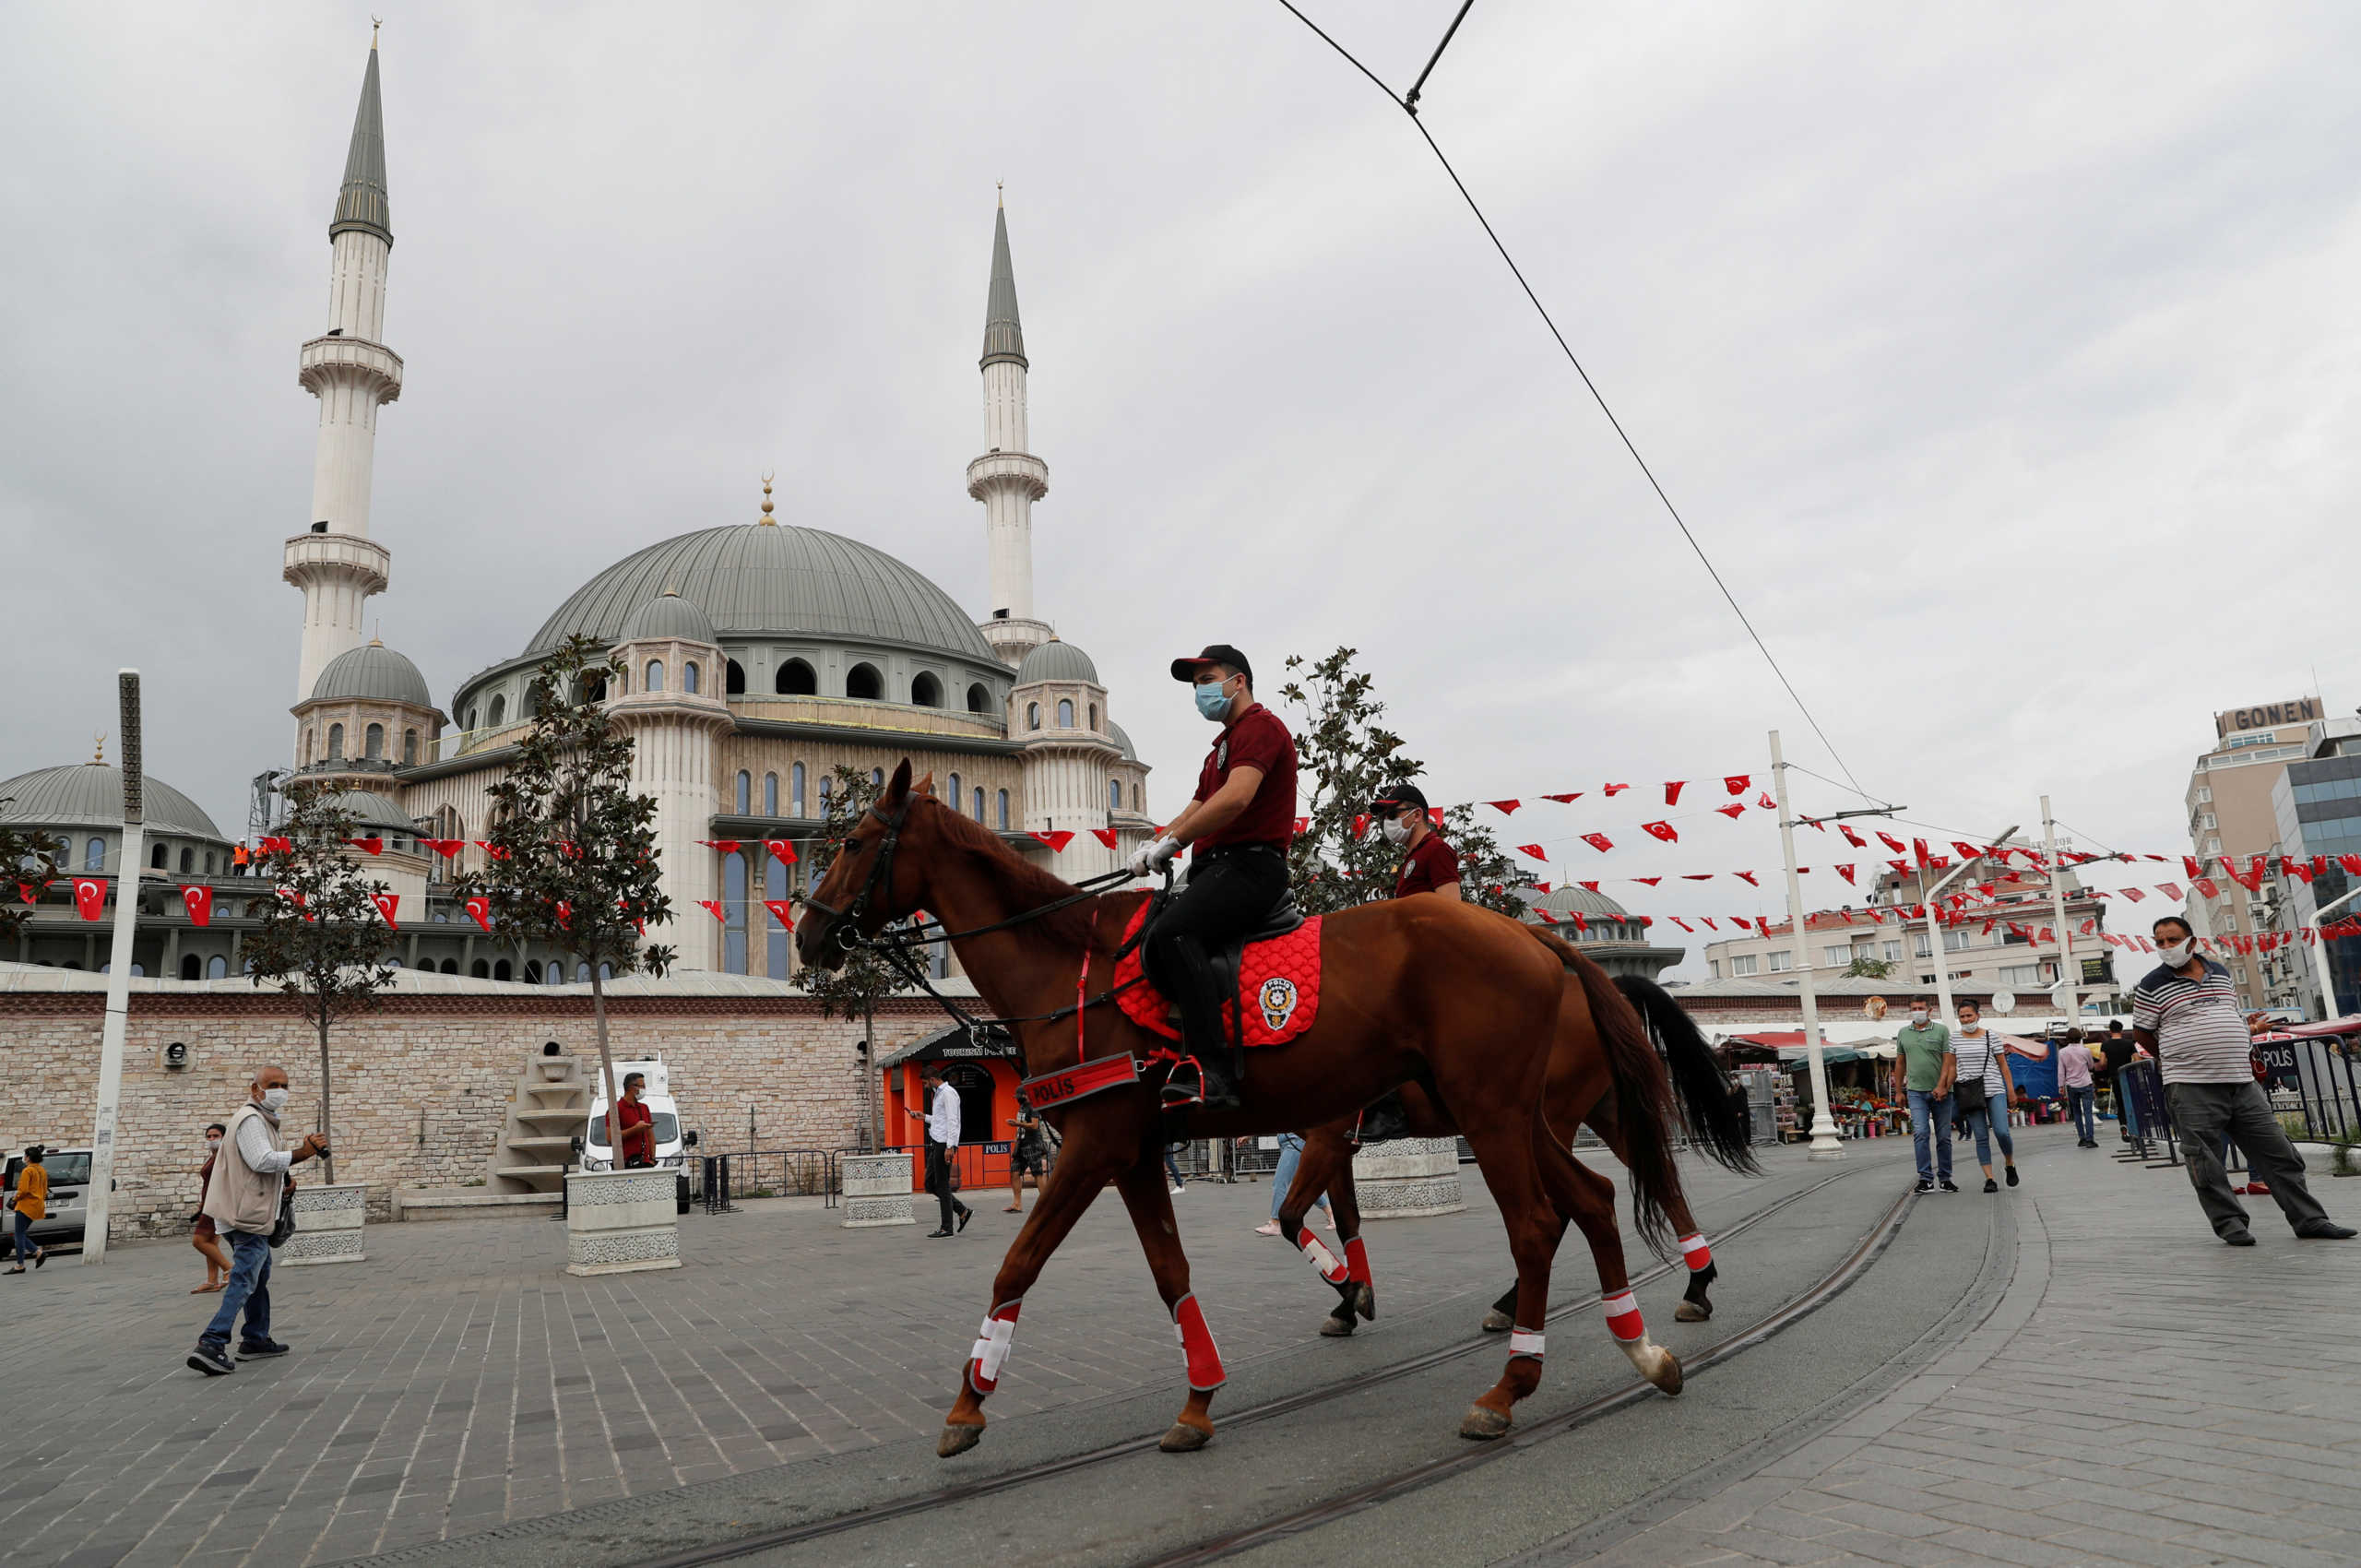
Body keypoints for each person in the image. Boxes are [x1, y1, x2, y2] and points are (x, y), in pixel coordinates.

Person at [1130, 645, 1299, 1111]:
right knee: (1149, 932)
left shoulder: (1261, 728)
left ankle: (1212, 1069)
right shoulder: (1222, 746)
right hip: (1215, 866)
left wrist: (1175, 841)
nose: (1200, 692)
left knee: (1175, 930)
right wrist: (1156, 841)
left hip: (1251, 866)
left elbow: (1237, 798)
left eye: (1207, 680)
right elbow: (1200, 805)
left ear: (1238, 681)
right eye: (1196, 685)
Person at [2132, 914, 2354, 1246]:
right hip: (2190, 1083)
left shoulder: (2220, 973)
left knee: (2279, 1153)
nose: (2166, 947)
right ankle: (2231, 1225)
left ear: (2191, 941)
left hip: (2241, 1079)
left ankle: (2311, 1220)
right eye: (2160, 941)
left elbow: (2229, 1014)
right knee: (2204, 1161)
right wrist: (2181, 1055)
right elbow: (2144, 1034)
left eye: (2172, 939)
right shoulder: (2151, 985)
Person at [188, 1064, 329, 1374]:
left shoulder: (262, 1120)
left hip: (245, 1211)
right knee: (245, 1277)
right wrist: (302, 1153)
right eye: (273, 1084)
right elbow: (261, 1160)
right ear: (255, 1089)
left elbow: (259, 1163)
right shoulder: (252, 1119)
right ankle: (211, 1343)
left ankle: (255, 1338)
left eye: (285, 1085)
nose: (280, 1090)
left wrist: (287, 1177)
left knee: (259, 1274)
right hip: (246, 1216)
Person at [1949, 1002, 2021, 1193]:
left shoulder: (1991, 1037)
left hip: (1994, 1088)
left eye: (1969, 1016)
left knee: (2002, 1132)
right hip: (1969, 1092)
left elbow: (2004, 1066)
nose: (1966, 1020)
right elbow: (1951, 1067)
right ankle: (1989, 1178)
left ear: (1978, 1016)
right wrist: (1944, 1087)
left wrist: (2011, 1090)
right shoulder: (1954, 1038)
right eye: (1962, 1017)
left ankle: (2009, 1163)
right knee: (1981, 1136)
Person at [1894, 997, 1957, 1194]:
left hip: (1942, 1092)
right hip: (1916, 1092)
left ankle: (1945, 1178)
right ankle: (1925, 1178)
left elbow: (1948, 1061)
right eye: (1914, 1008)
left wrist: (1942, 1086)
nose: (1918, 1011)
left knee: (1944, 1137)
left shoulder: (1941, 1031)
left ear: (1930, 1010)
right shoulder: (1904, 1033)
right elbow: (1900, 1063)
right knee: (1920, 1133)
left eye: (1921, 1008)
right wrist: (1898, 1091)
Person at [904, 1065, 972, 1238]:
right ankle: (962, 1210)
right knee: (930, 1183)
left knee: (941, 1185)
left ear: (933, 1080)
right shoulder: (940, 1094)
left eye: (926, 1082)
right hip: (938, 1142)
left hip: (944, 1144)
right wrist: (923, 1117)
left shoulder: (948, 1093)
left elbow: (953, 1121)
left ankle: (946, 1227)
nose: (925, 1086)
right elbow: (941, 1120)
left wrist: (950, 1146)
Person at [1371, 784, 1460, 900]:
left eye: (1392, 814)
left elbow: (1452, 910)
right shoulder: (1411, 857)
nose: (1387, 821)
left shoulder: (1437, 849)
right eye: (1383, 816)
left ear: (1417, 815)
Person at [1255, 1132, 1331, 1237]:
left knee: (1280, 1182)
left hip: (1293, 1142)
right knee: (1304, 1185)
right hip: (1289, 1141)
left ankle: (1275, 1223)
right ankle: (1331, 1215)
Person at [192, 1123, 232, 1292]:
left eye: (215, 1136)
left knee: (199, 1241)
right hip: (208, 1203)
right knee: (210, 1242)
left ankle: (230, 1269)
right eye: (209, 1136)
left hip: (215, 1204)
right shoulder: (213, 1157)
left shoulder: (225, 1156)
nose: (211, 1139)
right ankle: (211, 1281)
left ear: (224, 1137)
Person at [5, 1145, 49, 1274]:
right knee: (21, 1234)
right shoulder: (42, 1170)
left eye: (25, 1155)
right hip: (37, 1205)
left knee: (18, 1236)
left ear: (28, 1158)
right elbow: (45, 1190)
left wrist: (14, 1199)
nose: (23, 1157)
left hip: (26, 1205)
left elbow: (23, 1190)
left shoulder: (27, 1171)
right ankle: (38, 1252)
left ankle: (20, 1265)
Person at [1005, 1092, 1050, 1214]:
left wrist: (1017, 1124)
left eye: (1018, 1096)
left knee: (1037, 1173)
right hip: (1022, 1144)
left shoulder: (1033, 1107)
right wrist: (1016, 1137)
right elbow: (1020, 1126)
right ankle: (1017, 1204)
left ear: (1024, 1095)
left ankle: (1047, 1204)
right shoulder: (1022, 1107)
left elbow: (1035, 1126)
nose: (1017, 1099)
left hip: (1033, 1144)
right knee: (1014, 1171)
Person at [2096, 1018, 2140, 1142]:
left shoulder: (2105, 1045)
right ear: (2121, 1030)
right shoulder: (2129, 1043)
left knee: (2120, 1104)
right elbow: (2137, 1060)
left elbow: (2102, 1062)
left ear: (2110, 1031)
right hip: (2129, 1077)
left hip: (2116, 1077)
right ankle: (2135, 1130)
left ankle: (2124, 1129)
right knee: (2131, 1102)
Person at [2057, 1031, 2098, 1148]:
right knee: (2088, 1112)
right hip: (2085, 1083)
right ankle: (2090, 1139)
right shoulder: (2085, 1051)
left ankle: (2082, 1138)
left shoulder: (2062, 1052)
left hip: (2071, 1085)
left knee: (2077, 1112)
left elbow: (2061, 1070)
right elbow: (2091, 1066)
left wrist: (2061, 1086)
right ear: (2080, 1038)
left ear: (2067, 1039)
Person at [615, 1072, 655, 1169]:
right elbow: (610, 1138)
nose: (644, 1089)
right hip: (626, 1163)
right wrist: (635, 1129)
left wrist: (652, 1159)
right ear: (632, 1087)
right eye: (642, 1086)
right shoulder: (616, 1109)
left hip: (645, 1162)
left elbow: (650, 1135)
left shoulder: (644, 1108)